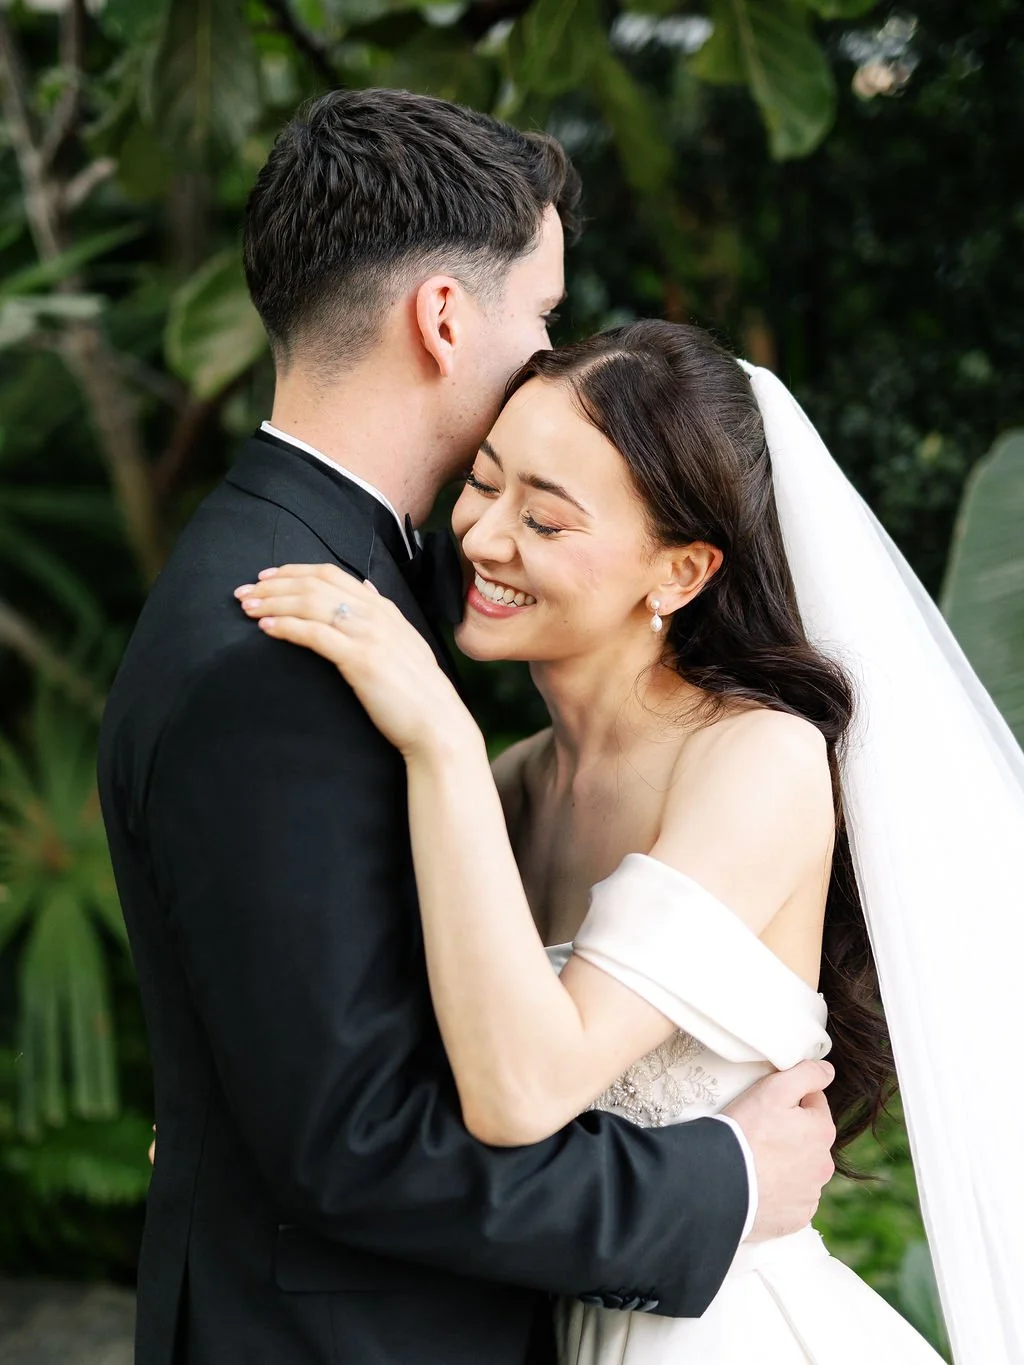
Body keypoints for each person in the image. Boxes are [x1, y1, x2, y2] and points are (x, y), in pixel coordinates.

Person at [98, 92, 836, 1365]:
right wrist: (716, 1188)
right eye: (541, 314)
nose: (549, 353)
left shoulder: (336, 578)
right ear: (445, 319)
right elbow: (358, 1140)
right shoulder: (284, 649)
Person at [232, 319, 978, 1363]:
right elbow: (378, 1083)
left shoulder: (756, 758)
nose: (485, 538)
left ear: (677, 573)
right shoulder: (510, 788)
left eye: (545, 518)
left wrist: (440, 738)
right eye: (484, 483)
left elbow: (528, 1087)